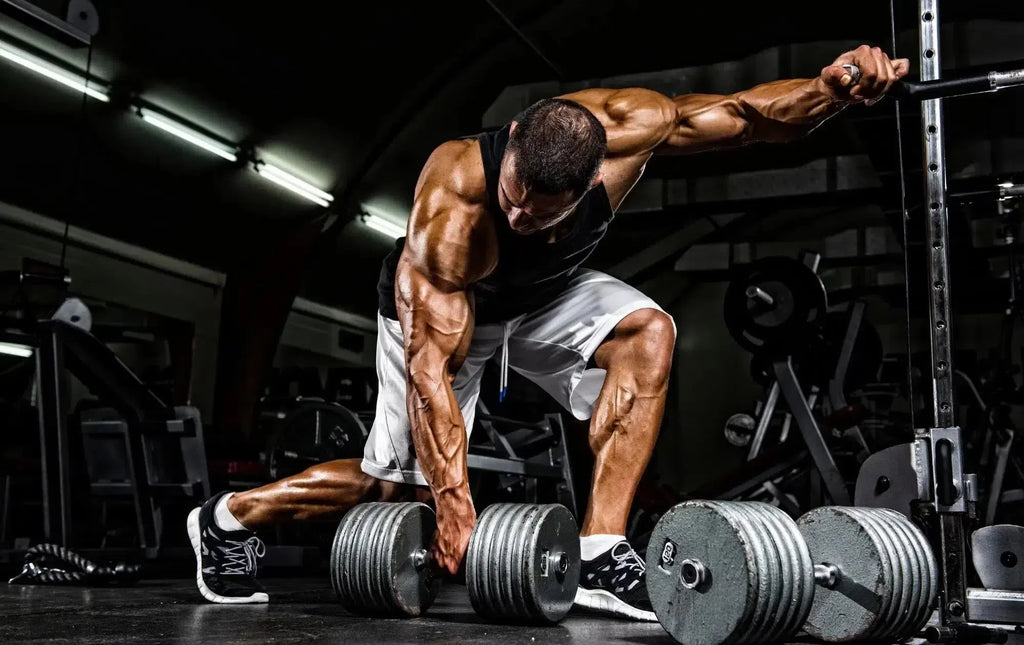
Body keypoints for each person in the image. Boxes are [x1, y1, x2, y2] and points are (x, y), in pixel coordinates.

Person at [187, 45, 908, 618]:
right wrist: (453, 501)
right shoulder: (454, 206)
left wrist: (833, 90)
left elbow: (749, 115)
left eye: (544, 212)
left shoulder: (635, 126)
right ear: (513, 151)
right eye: (516, 199)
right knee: (393, 491)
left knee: (649, 330)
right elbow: (431, 369)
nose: (524, 215)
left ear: (597, 174)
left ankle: (600, 551)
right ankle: (226, 518)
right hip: (444, 314)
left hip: (542, 295)